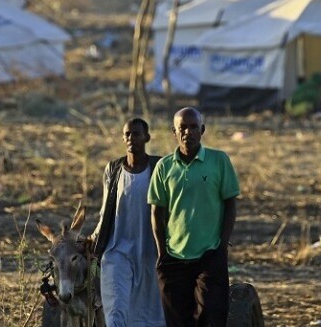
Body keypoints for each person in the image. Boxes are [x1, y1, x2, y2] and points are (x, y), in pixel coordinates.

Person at [148, 107, 240, 327]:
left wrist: (221, 246)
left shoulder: (219, 161)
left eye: (193, 127)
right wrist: (162, 252)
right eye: (182, 127)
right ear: (174, 131)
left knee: (211, 316)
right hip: (174, 257)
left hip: (209, 255)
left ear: (202, 130)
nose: (187, 132)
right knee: (178, 321)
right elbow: (157, 211)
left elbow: (230, 205)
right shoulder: (164, 166)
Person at [90, 118, 166, 327]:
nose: (131, 138)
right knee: (115, 309)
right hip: (118, 250)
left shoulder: (159, 167)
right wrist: (94, 239)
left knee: (149, 312)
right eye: (127, 134)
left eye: (136, 134)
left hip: (151, 251)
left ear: (147, 138)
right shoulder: (113, 169)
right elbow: (106, 210)